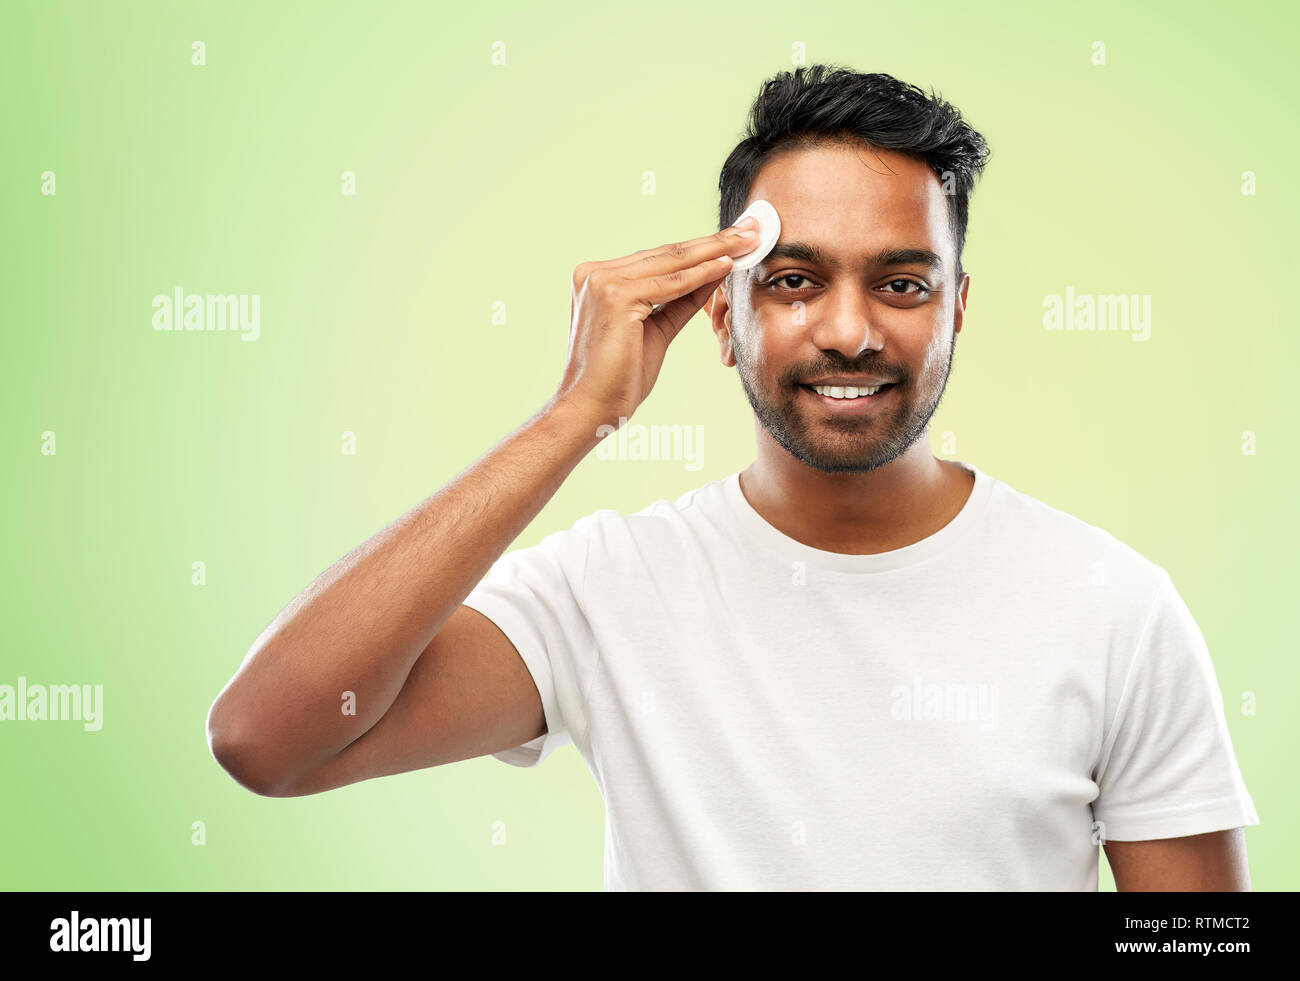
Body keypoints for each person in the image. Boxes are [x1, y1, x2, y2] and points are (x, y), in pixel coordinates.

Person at [207, 65, 1258, 891]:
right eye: (794, 282)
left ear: (956, 310)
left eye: (900, 284)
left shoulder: (1111, 607)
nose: (848, 332)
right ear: (722, 314)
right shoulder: (608, 591)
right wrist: (578, 413)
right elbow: (266, 741)